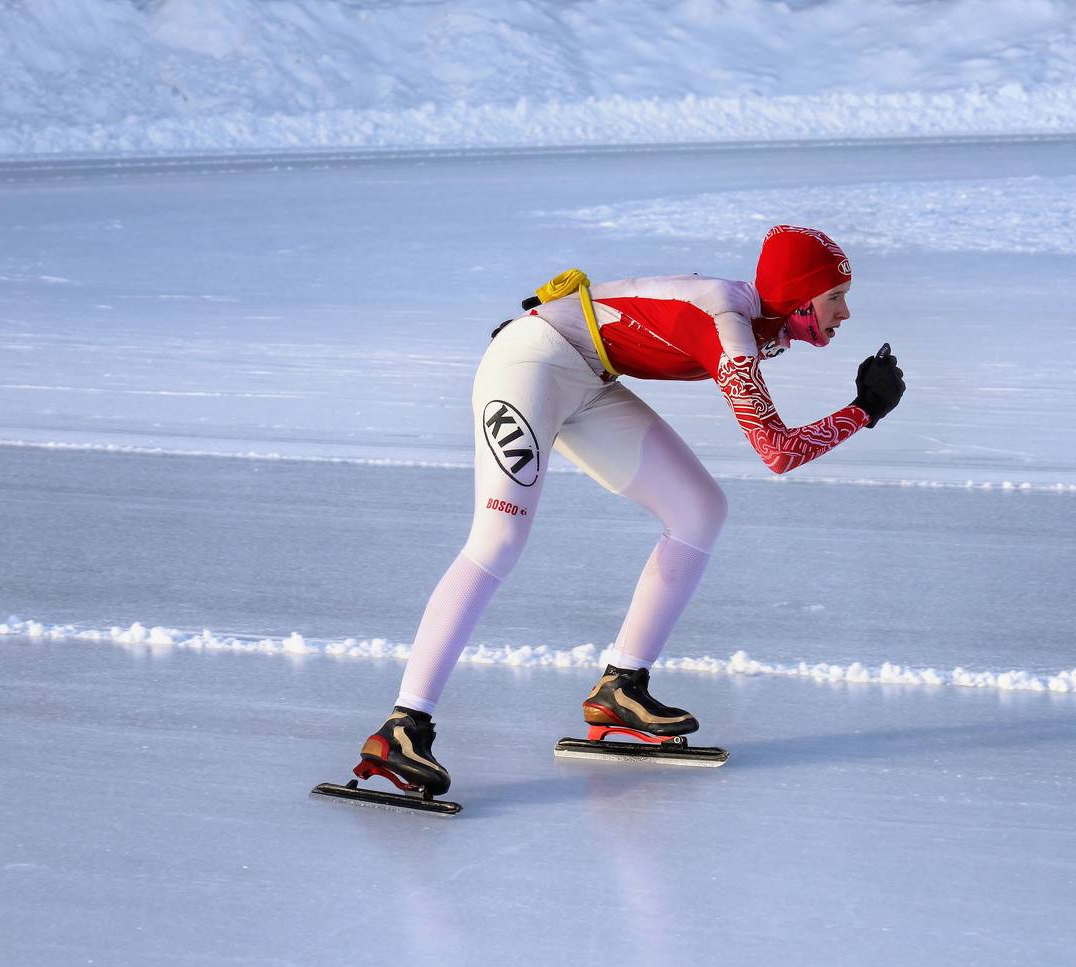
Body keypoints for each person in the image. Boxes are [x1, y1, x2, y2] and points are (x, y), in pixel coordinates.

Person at [354, 225, 905, 795]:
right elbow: (777, 451)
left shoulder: (764, 318)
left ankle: (621, 688)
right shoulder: (729, 323)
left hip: (588, 378)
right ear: (798, 296)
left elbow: (648, 303)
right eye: (835, 297)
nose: (845, 312)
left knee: (699, 509)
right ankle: (403, 725)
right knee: (498, 540)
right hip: (529, 365)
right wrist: (864, 410)